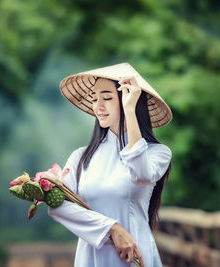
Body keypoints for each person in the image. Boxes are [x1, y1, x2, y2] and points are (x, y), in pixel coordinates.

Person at [48, 62, 173, 267]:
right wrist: (112, 229)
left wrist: (129, 111)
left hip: (136, 257)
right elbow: (57, 206)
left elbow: (140, 175)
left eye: (106, 97)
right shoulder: (81, 157)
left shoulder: (157, 153)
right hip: (92, 258)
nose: (98, 105)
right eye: (95, 98)